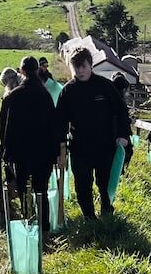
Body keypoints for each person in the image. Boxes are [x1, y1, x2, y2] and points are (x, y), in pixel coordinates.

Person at [56, 47, 131, 218]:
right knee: (83, 184)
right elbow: (60, 122)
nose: (80, 70)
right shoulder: (68, 91)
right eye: (76, 67)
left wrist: (123, 135)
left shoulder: (105, 87)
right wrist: (60, 149)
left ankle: (106, 210)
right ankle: (89, 217)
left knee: (104, 182)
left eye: (83, 66)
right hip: (80, 146)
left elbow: (121, 112)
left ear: (90, 65)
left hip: (105, 144)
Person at [0, 56, 58, 232]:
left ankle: (28, 225)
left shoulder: (13, 96)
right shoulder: (45, 95)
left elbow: (6, 127)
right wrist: (55, 152)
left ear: (22, 71)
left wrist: (6, 153)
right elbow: (53, 125)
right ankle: (44, 228)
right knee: (42, 191)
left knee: (24, 191)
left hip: (21, 152)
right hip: (43, 152)